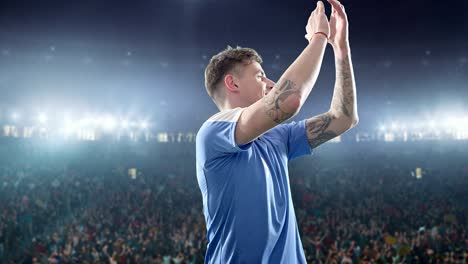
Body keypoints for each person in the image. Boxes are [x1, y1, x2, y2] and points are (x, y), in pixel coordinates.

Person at [196, 0, 358, 262]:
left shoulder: (278, 137)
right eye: (260, 75)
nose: (270, 83)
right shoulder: (212, 132)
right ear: (232, 82)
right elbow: (288, 101)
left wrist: (340, 49)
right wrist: (318, 37)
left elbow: (343, 118)